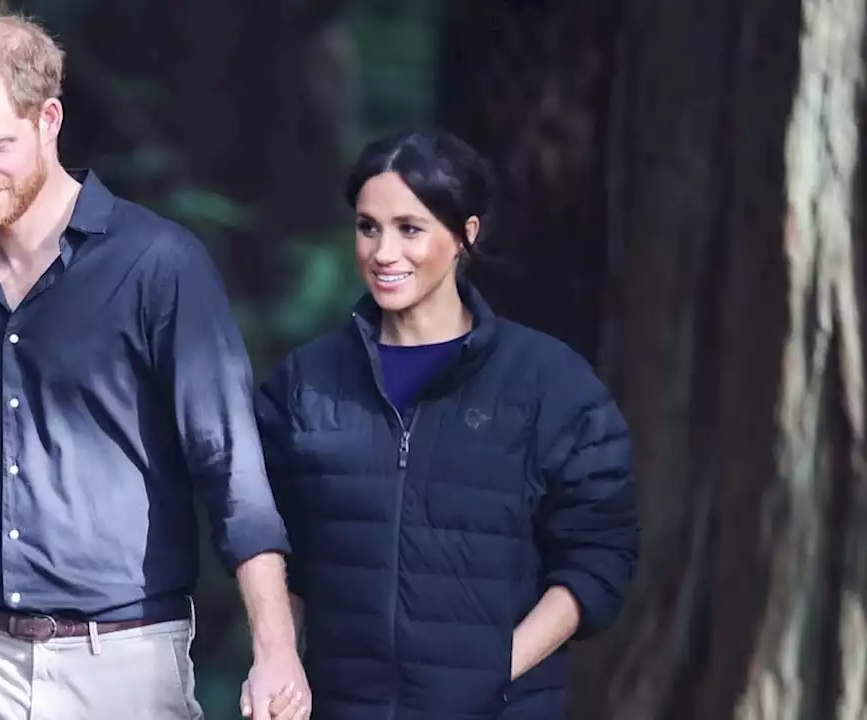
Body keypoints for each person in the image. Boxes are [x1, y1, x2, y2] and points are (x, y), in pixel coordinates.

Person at [0, 13, 310, 720]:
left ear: (48, 119)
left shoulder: (159, 266)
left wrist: (276, 649)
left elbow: (230, 465)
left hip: (119, 658)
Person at [245, 128, 641, 719]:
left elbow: (599, 556)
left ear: (464, 236)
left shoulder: (550, 385)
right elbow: (272, 540)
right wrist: (280, 660)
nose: (383, 253)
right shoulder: (307, 382)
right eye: (368, 227)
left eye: (410, 229)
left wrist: (492, 670)